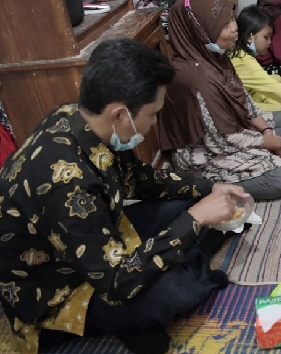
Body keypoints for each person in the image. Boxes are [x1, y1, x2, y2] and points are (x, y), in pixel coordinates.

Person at [0, 39, 249, 354]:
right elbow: (116, 282)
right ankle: (79, 328)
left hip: (92, 238)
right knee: (171, 292)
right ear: (119, 114)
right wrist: (197, 219)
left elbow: (142, 181)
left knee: (184, 208)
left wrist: (208, 189)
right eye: (153, 113)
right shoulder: (67, 182)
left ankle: (180, 264)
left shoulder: (78, 118)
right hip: (54, 286)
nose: (155, 122)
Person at [158, 0, 281, 201]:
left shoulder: (215, 56)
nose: (235, 28)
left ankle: (261, 152)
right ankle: (204, 187)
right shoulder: (195, 79)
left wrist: (267, 131)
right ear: (200, 30)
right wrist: (267, 142)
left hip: (235, 128)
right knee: (280, 178)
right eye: (225, 24)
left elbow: (245, 101)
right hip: (205, 151)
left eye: (232, 19)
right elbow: (221, 142)